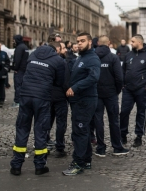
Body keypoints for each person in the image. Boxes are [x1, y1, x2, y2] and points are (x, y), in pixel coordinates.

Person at [10, 43, 66, 176]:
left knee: (22, 128)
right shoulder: (58, 60)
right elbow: (59, 81)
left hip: (25, 95)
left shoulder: (33, 54)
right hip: (42, 97)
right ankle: (40, 165)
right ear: (55, 51)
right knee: (41, 129)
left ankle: (17, 165)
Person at [63, 32, 100, 176]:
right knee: (83, 131)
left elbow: (93, 77)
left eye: (82, 41)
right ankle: (86, 160)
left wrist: (74, 88)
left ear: (90, 42)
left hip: (86, 100)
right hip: (78, 101)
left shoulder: (92, 58)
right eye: (78, 41)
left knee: (79, 132)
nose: (79, 43)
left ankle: (78, 163)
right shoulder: (81, 57)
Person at [120, 34, 146, 148]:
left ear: (139, 42)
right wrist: (123, 84)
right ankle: (123, 135)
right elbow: (123, 71)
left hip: (142, 90)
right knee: (124, 112)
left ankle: (139, 136)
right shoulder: (128, 55)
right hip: (128, 90)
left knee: (141, 113)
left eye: (132, 41)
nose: (130, 43)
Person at [94, 36, 128, 157]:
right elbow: (119, 78)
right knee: (114, 120)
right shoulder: (113, 58)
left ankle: (100, 148)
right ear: (109, 43)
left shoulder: (93, 57)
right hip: (111, 93)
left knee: (98, 121)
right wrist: (117, 91)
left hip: (96, 93)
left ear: (98, 43)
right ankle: (117, 147)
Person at [46, 42, 70, 157]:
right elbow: (64, 81)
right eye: (63, 48)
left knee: (47, 121)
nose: (65, 50)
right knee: (61, 122)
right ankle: (60, 147)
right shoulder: (61, 62)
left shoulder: (46, 61)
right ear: (57, 49)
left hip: (48, 95)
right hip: (59, 96)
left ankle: (44, 142)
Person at [11, 35, 30, 108]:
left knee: (18, 86)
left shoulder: (19, 48)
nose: (13, 41)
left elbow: (17, 60)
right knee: (22, 86)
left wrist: (15, 68)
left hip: (19, 70)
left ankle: (17, 101)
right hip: (24, 69)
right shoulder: (25, 47)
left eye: (14, 40)